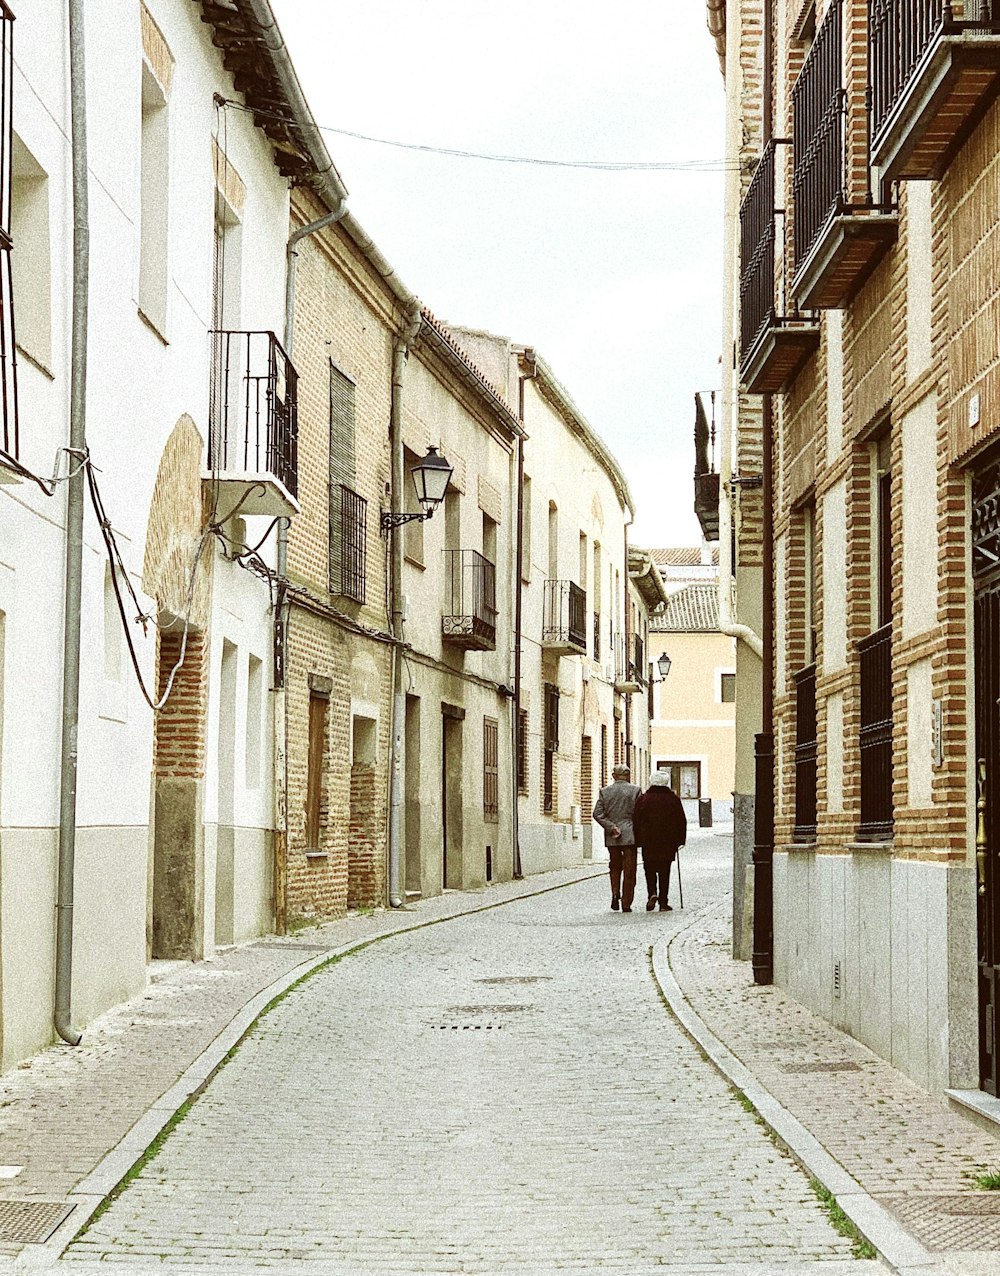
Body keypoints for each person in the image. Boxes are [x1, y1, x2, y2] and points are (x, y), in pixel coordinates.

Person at [633, 770, 687, 911]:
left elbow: (636, 820)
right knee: (665, 871)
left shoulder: (644, 799)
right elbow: (681, 820)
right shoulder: (673, 799)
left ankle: (652, 893)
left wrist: (638, 840)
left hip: (648, 841)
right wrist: (680, 840)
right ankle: (663, 901)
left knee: (649, 869)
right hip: (667, 842)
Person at [592, 764, 641, 912]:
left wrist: (611, 826)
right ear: (627, 775)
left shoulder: (605, 792)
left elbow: (597, 814)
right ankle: (626, 903)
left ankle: (615, 894)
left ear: (614, 776)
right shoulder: (635, 790)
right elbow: (640, 814)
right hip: (630, 835)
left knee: (614, 866)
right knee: (629, 870)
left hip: (612, 835)